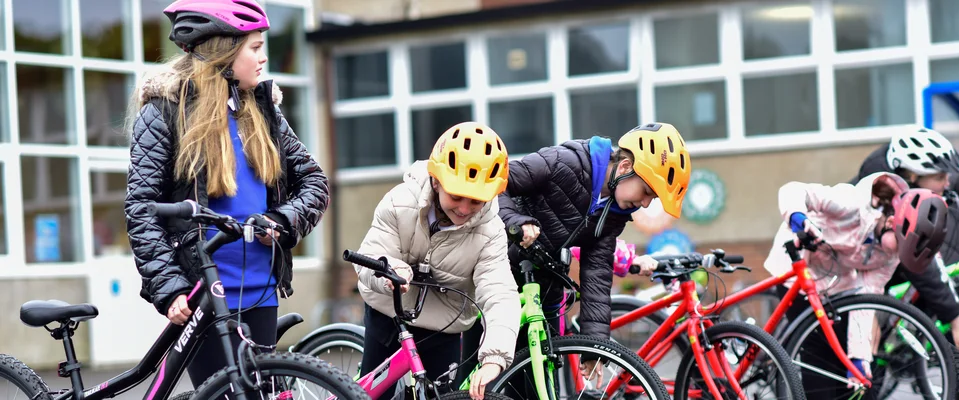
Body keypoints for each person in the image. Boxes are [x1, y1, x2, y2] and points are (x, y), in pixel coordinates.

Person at [123, 0, 330, 391]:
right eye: (254, 47)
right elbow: (142, 208)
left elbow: (315, 182)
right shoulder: (166, 112)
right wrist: (169, 287)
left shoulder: (264, 112)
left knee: (259, 394)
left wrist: (283, 220)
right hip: (204, 297)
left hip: (261, 293)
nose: (263, 57)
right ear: (222, 52)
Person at [497, 122, 691, 379]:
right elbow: (495, 183)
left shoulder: (616, 212)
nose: (644, 203)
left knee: (543, 384)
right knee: (486, 380)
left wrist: (594, 348)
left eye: (651, 199)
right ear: (624, 167)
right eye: (647, 192)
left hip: (543, 291)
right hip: (496, 277)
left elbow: (597, 274)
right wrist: (516, 221)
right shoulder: (563, 163)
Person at [353, 122, 521, 400]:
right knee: (371, 396)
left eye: (477, 201)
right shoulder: (399, 202)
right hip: (389, 313)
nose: (465, 209)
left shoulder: (491, 231)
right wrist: (387, 272)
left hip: (443, 326)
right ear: (435, 181)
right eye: (456, 196)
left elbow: (500, 293)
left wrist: (495, 357)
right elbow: (370, 256)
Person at [764, 173, 949, 398]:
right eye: (899, 245)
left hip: (835, 280)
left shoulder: (892, 253)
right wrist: (798, 218)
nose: (895, 254)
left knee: (843, 356)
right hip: (797, 267)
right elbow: (793, 189)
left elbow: (867, 298)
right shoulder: (851, 203)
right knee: (819, 350)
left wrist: (859, 358)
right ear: (892, 222)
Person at [849, 126, 959, 363]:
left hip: (868, 275)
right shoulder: (879, 201)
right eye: (940, 177)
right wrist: (956, 319)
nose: (947, 184)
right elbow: (920, 262)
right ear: (912, 177)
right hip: (835, 276)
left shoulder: (909, 192)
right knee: (862, 360)